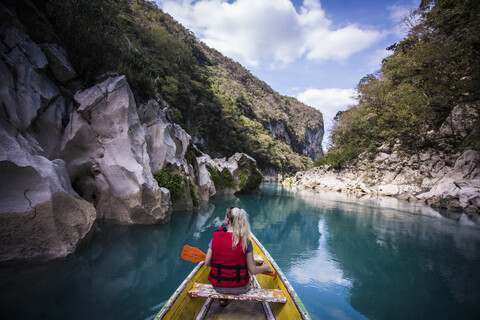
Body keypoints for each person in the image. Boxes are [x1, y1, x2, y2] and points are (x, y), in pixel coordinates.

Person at [205, 207, 272, 306]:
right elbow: (253, 270)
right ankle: (225, 298)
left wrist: (219, 266)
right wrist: (266, 267)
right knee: (246, 268)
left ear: (227, 220)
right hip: (240, 288)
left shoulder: (215, 238)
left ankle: (222, 299)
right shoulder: (246, 241)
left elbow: (207, 262)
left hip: (218, 286)